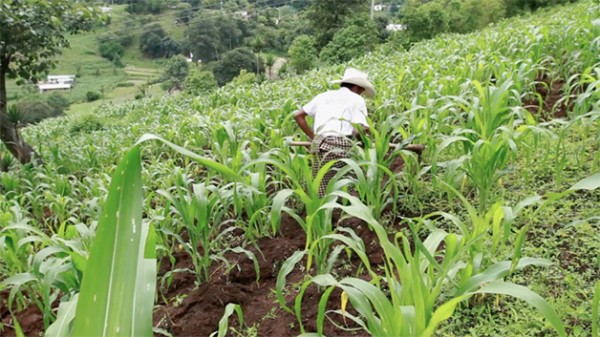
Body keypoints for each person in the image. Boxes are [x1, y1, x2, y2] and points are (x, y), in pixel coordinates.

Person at [294, 68, 376, 197]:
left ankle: (322, 215)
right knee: (349, 186)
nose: (361, 93)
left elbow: (298, 115)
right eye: (361, 90)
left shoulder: (323, 96)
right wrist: (364, 145)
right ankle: (345, 214)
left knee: (321, 186)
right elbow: (359, 130)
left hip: (319, 145)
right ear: (356, 87)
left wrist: (313, 138)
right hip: (341, 146)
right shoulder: (356, 99)